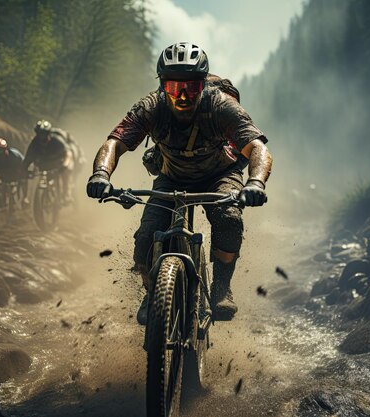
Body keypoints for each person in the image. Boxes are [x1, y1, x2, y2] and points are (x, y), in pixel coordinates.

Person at [86, 42, 273, 324]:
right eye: (174, 88)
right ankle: (153, 293)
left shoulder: (221, 106)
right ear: (162, 86)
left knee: (229, 218)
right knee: (146, 239)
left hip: (219, 175)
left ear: (203, 86)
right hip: (171, 176)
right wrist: (101, 174)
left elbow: (257, 148)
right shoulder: (151, 106)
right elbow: (115, 142)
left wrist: (255, 182)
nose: (183, 96)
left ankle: (222, 286)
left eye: (192, 88)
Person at [23, 120, 75, 202]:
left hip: (59, 164)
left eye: (43, 133)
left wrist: (65, 165)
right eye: (39, 133)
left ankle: (66, 194)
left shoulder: (57, 141)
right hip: (44, 165)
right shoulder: (34, 143)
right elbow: (28, 158)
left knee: (66, 172)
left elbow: (68, 154)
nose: (41, 136)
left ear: (48, 133)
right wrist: (24, 169)